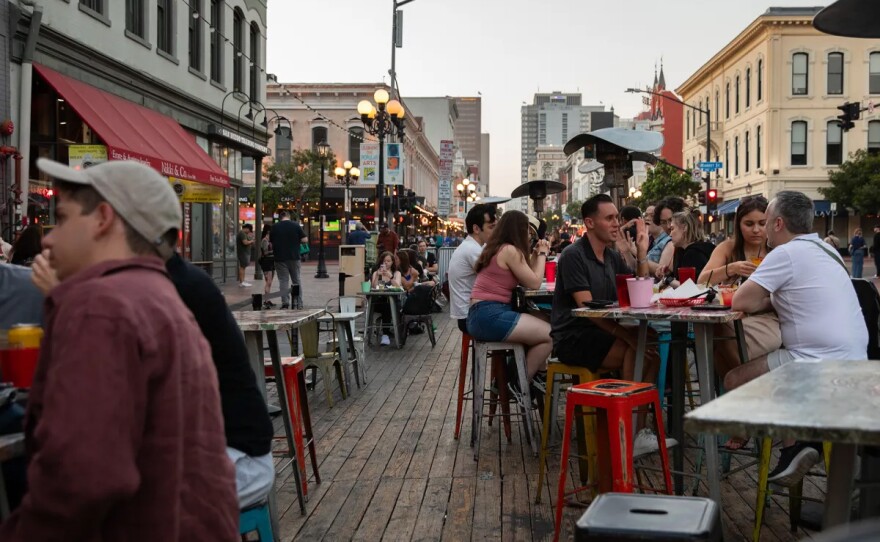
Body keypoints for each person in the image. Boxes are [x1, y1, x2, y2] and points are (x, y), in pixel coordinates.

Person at [0, 159, 238, 540]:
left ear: (103, 219)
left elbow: (82, 476)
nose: (48, 238)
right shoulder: (157, 296)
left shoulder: (100, 306)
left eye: (62, 219)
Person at [728, 190, 868, 486]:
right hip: (856, 360)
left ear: (778, 224)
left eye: (766, 222)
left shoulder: (786, 253)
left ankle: (796, 446)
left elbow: (741, 302)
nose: (763, 229)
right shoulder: (827, 251)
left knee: (734, 380)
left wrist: (758, 301)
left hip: (814, 362)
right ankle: (808, 440)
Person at [550, 194, 671, 456]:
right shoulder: (574, 255)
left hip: (602, 331)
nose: (616, 223)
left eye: (617, 217)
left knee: (649, 346)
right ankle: (623, 434)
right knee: (635, 348)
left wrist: (640, 251)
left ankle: (636, 431)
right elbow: (587, 311)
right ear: (590, 223)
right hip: (573, 336)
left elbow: (638, 292)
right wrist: (626, 336)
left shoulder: (612, 256)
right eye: (610, 218)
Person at [697, 197, 782, 449]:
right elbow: (702, 280)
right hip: (731, 318)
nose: (756, 230)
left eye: (761, 223)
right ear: (738, 224)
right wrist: (731, 267)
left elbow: (783, 298)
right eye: (749, 224)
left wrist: (754, 303)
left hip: (766, 319)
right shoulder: (728, 248)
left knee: (718, 340)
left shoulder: (776, 251)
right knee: (716, 333)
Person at [468, 210, 552, 379]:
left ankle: (528, 373)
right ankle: (520, 383)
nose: (528, 236)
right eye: (527, 231)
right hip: (490, 314)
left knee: (542, 319)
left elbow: (529, 279)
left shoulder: (498, 248)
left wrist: (535, 255)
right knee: (551, 335)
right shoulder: (510, 251)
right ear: (518, 230)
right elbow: (535, 283)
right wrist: (543, 253)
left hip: (481, 314)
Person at [448, 204, 497, 332]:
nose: (495, 231)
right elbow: (495, 278)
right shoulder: (472, 249)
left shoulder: (472, 246)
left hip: (469, 313)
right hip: (470, 316)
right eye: (491, 227)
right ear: (476, 228)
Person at [661, 211, 715, 285]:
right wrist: (669, 274)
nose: (670, 234)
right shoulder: (683, 251)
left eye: (672, 229)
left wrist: (667, 279)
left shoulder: (693, 254)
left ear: (684, 228)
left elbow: (688, 287)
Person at [270, 210, 308, 309]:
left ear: (280, 217)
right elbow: (305, 240)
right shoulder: (295, 225)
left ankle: (285, 303)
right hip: (294, 257)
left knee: (283, 281)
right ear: (288, 216)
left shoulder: (274, 227)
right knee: (296, 280)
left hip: (279, 257)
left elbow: (271, 242)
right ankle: (299, 303)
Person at [370, 251, 403, 346]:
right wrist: (378, 275)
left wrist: (390, 276)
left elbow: (398, 287)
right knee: (385, 305)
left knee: (389, 305)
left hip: (394, 301)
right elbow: (374, 287)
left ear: (392, 262)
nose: (386, 263)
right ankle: (385, 334)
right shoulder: (376, 273)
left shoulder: (396, 273)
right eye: (384, 261)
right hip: (379, 301)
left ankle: (386, 334)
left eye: (388, 261)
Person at [652, 197, 687, 278]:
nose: (668, 226)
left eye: (671, 220)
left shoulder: (687, 247)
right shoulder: (675, 245)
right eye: (663, 222)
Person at [644, 204, 670, 274]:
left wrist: (639, 254)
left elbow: (662, 272)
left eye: (652, 216)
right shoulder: (649, 240)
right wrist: (627, 251)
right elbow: (636, 269)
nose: (647, 218)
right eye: (646, 215)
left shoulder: (668, 241)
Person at [259, 223, 275, 309]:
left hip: (271, 262)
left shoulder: (269, 240)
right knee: (268, 282)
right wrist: (274, 252)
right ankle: (266, 300)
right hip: (266, 262)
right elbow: (265, 253)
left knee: (269, 282)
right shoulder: (264, 241)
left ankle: (267, 299)